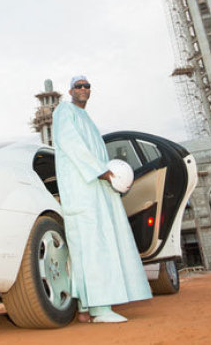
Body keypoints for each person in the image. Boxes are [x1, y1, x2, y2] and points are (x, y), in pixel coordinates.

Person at [52, 75, 152, 323]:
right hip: (82, 189)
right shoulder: (64, 110)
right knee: (92, 246)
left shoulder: (86, 118)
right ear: (70, 90)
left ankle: (87, 307)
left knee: (95, 246)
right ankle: (99, 309)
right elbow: (72, 144)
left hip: (95, 188)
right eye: (79, 86)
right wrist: (101, 170)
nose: (83, 89)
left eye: (87, 86)